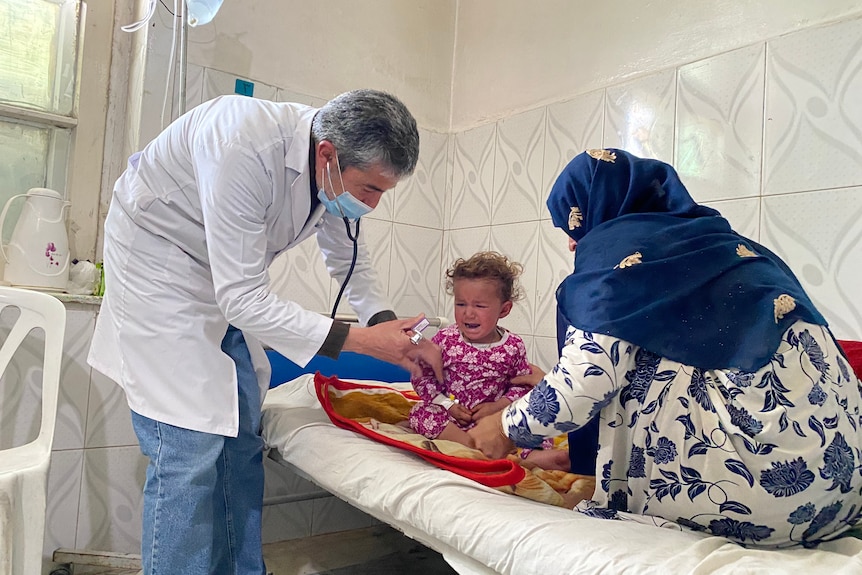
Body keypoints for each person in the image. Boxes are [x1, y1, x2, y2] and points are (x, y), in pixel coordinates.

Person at [87, 89, 443, 575]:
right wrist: (362, 341)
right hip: (159, 264)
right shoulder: (242, 142)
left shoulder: (330, 174)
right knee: (188, 450)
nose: (374, 205)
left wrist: (386, 326)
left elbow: (348, 259)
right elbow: (242, 298)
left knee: (241, 432)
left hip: (222, 277)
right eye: (370, 191)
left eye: (384, 192)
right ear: (327, 154)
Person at [469, 148, 862, 548]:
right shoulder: (727, 242)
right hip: (841, 485)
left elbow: (584, 381)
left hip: (766, 502)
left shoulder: (618, 249)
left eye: (574, 225)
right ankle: (590, 464)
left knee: (617, 359)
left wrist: (504, 427)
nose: (574, 244)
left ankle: (618, 485)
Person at [409, 252, 569, 470]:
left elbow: (521, 385)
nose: (468, 313)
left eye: (479, 306)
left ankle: (532, 456)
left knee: (536, 420)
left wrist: (498, 407)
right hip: (454, 418)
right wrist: (447, 405)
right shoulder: (445, 339)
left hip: (498, 420)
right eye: (461, 304)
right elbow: (422, 376)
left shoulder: (512, 345)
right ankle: (472, 448)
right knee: (421, 412)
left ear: (504, 309)